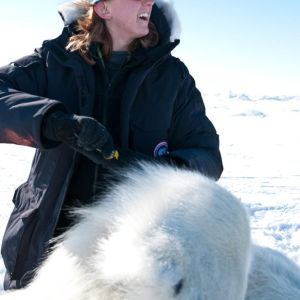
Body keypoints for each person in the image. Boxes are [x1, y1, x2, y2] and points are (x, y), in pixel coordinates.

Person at [0, 0, 223, 290]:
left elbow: (207, 155)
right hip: (47, 247)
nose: (149, 2)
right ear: (103, 9)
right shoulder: (54, 61)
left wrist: (155, 170)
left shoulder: (172, 77)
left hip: (132, 257)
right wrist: (54, 122)